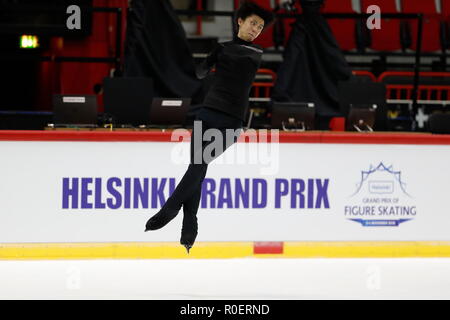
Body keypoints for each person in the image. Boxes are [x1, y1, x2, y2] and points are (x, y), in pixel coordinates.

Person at [145, 0, 275, 253]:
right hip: (206, 114)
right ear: (240, 21)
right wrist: (213, 57)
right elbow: (200, 73)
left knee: (199, 164)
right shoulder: (223, 49)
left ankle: (170, 209)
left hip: (231, 121)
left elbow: (238, 62)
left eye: (259, 27)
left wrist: (218, 54)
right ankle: (189, 226)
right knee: (198, 167)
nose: (255, 30)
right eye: (252, 23)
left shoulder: (254, 53)